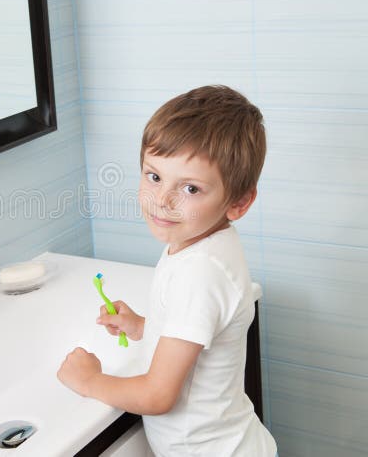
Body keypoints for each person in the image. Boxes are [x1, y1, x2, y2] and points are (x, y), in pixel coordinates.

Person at [57, 85, 277, 456]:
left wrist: (91, 380)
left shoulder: (201, 272)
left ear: (238, 202)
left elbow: (158, 395)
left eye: (190, 188)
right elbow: (198, 335)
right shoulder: (202, 243)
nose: (162, 200)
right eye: (154, 176)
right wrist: (144, 326)